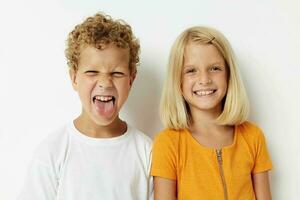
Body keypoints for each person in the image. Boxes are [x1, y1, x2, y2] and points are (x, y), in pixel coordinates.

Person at [19, 12, 153, 200]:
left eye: (117, 73)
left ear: (131, 79)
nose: (105, 83)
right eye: (92, 72)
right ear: (74, 78)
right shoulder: (53, 151)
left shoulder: (148, 152)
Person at [150, 26, 272, 200]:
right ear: (178, 81)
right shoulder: (168, 143)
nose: (204, 79)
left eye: (215, 68)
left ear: (229, 75)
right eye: (191, 71)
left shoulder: (253, 137)